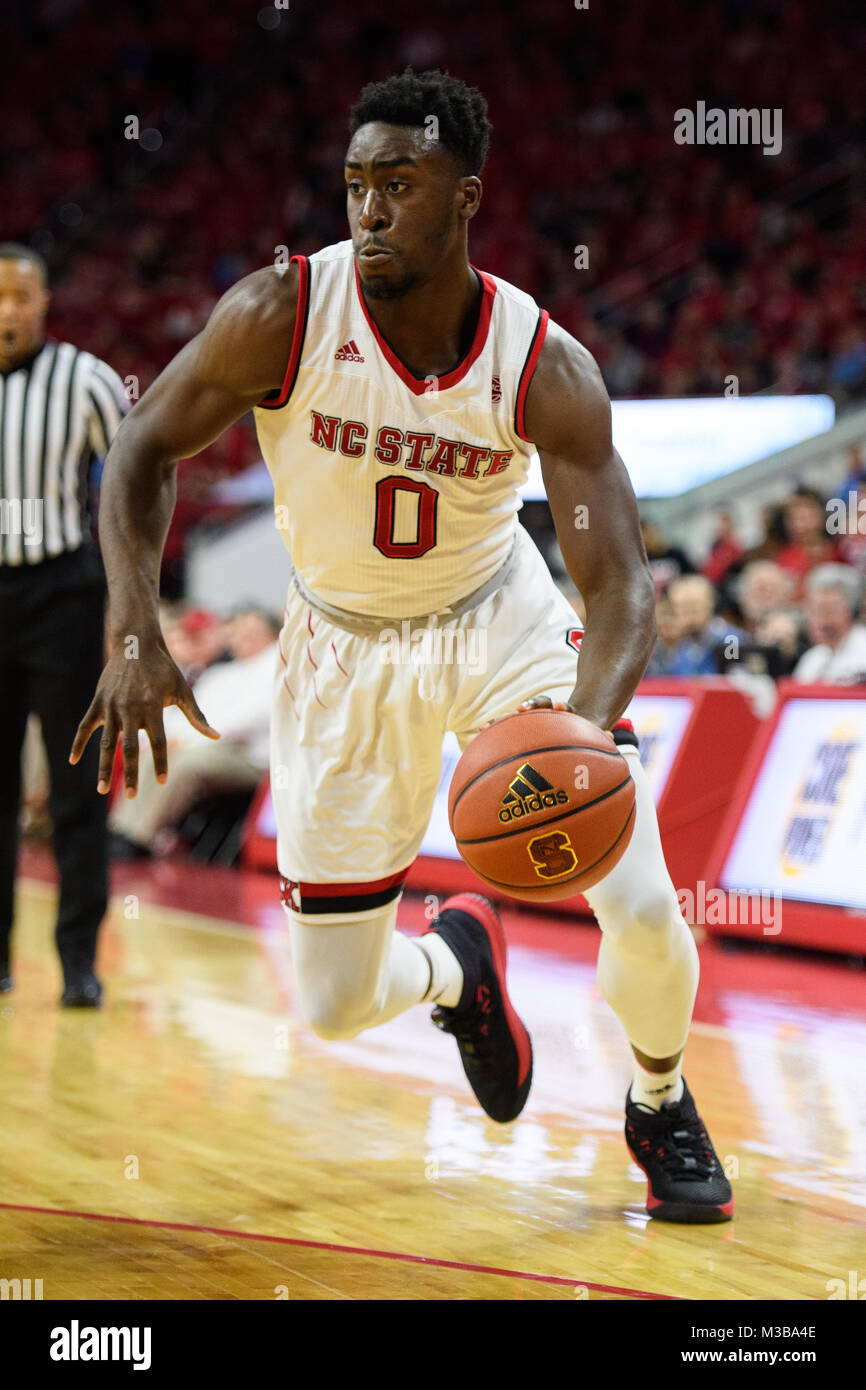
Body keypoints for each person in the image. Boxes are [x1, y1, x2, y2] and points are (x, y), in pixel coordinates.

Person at [72, 71, 732, 1223]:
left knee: (637, 897)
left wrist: (578, 731)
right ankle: (458, 971)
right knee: (329, 1004)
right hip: (337, 642)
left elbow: (620, 583)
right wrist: (131, 625)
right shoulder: (280, 312)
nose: (368, 210)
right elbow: (140, 448)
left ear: (463, 197)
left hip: (496, 620)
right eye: (355, 186)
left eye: (398, 185)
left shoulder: (543, 363)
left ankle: (659, 1096)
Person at [0, 243, 127, 1006]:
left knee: (77, 786)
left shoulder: (85, 379)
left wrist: (126, 600)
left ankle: (79, 961)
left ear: (45, 301)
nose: (7, 310)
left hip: (62, 594)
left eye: (20, 296)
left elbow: (136, 472)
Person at [108, 607, 278, 857]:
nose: (243, 637)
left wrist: (188, 741)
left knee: (186, 763)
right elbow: (191, 713)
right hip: (210, 745)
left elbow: (243, 722)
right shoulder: (224, 672)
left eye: (252, 631)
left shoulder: (274, 665)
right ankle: (121, 831)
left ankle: (142, 838)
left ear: (271, 635)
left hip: (250, 757)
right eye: (240, 631)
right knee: (153, 756)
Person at [793, 565, 866, 684]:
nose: (821, 620)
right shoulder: (812, 658)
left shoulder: (863, 649)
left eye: (828, 610)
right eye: (814, 610)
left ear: (851, 610)